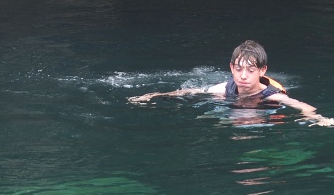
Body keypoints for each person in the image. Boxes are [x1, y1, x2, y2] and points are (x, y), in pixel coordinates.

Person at [128, 40, 334, 127]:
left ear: (262, 71)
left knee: (246, 119)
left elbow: (303, 106)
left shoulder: (271, 95)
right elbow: (191, 91)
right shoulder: (225, 88)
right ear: (231, 68)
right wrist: (154, 95)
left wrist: (319, 118)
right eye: (238, 69)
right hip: (234, 107)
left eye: (250, 71)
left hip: (261, 114)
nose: (243, 76)